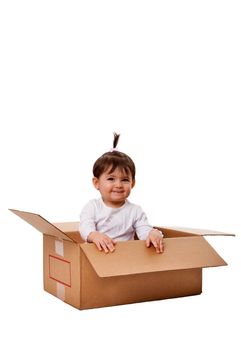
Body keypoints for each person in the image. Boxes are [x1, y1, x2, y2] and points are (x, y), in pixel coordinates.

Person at [79, 133, 164, 254]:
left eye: (125, 180)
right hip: (97, 255)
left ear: (132, 184)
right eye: (111, 179)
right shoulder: (92, 207)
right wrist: (94, 236)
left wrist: (153, 233)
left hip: (124, 258)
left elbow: (144, 231)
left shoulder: (135, 211)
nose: (118, 185)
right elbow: (85, 227)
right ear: (96, 183)